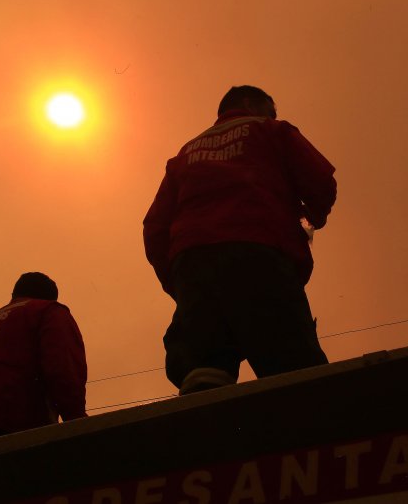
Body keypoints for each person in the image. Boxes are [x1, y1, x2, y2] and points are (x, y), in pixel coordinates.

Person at [144, 85, 336, 395]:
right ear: (250, 104)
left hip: (193, 263)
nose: (274, 116)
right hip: (257, 253)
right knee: (294, 368)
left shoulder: (186, 152)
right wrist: (314, 215)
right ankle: (310, 427)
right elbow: (321, 180)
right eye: (270, 110)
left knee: (204, 370)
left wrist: (178, 282)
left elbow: (154, 227)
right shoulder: (271, 131)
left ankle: (209, 428)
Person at [0, 272, 87, 447]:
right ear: (50, 298)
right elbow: (63, 369)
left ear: (14, 295)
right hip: (19, 429)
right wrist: (78, 424)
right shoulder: (48, 311)